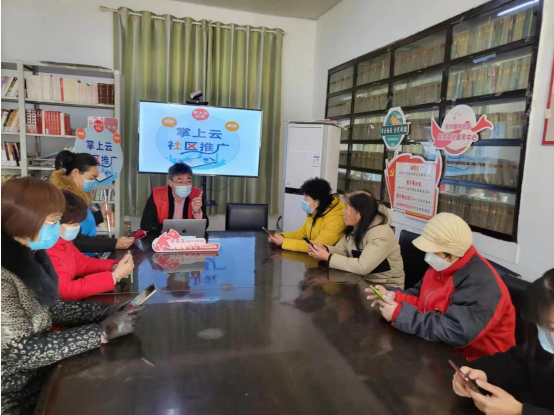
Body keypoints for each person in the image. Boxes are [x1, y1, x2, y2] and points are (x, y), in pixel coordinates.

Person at [1, 177, 144, 415]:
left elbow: (50, 307)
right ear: (23, 218)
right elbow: (24, 353)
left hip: (43, 377)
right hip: (16, 398)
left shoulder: (31, 255)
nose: (57, 227)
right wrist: (101, 332)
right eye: (53, 220)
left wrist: (105, 311)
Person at [367, 212, 516, 361]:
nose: (429, 256)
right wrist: (394, 296)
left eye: (434, 251)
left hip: (477, 363)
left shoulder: (482, 284)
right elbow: (420, 296)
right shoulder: (442, 265)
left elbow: (455, 331)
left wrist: (400, 315)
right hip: (437, 350)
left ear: (454, 254)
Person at [452, 269, 554, 414]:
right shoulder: (541, 348)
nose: (545, 333)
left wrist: (521, 411)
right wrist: (480, 374)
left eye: (551, 328)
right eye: (543, 324)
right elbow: (518, 361)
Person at [46, 190, 135, 301]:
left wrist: (113, 267)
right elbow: (66, 290)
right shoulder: (48, 249)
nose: (77, 227)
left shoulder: (64, 242)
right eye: (74, 223)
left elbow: (82, 263)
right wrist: (114, 277)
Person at [308, 190, 405, 289]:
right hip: (361, 281)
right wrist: (325, 249)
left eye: (346, 208)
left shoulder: (381, 234)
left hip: (386, 288)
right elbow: (342, 250)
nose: (343, 212)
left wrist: (328, 257)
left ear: (359, 214)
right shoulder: (356, 227)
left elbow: (362, 267)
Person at [51, 150, 134, 253]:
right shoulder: (66, 200)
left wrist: (100, 215)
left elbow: (82, 222)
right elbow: (77, 241)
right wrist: (114, 243)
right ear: (75, 173)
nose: (93, 182)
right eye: (91, 178)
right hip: (79, 257)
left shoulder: (78, 197)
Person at [270, 178, 345, 253]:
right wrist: (281, 236)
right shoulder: (314, 212)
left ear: (317, 202)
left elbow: (317, 246)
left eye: (306, 198)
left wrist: (284, 242)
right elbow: (302, 234)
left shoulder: (336, 219)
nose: (303, 201)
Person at [140, 162, 208, 234]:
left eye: (188, 181)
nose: (185, 185)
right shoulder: (157, 194)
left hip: (188, 237)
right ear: (170, 183)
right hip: (162, 236)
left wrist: (197, 212)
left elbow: (205, 226)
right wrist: (170, 230)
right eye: (180, 182)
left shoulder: (197, 194)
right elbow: (145, 224)